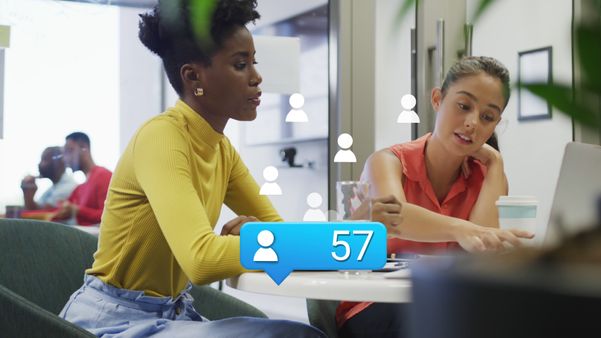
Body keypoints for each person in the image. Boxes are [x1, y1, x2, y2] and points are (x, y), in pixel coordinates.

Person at [58, 1, 400, 337]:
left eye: (253, 62)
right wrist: (282, 239)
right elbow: (202, 259)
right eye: (240, 65)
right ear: (194, 77)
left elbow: (280, 233)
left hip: (175, 312)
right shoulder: (161, 137)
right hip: (112, 320)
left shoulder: (221, 149)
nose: (256, 76)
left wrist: (336, 231)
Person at [336, 56, 534, 338]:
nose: (472, 123)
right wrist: (462, 229)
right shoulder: (388, 161)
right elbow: (398, 216)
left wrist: (495, 165)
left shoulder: (488, 176)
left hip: (448, 305)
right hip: (377, 306)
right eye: (463, 106)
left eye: (487, 117)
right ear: (438, 99)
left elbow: (481, 251)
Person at [52, 132, 112, 226]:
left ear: (84, 147)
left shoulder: (103, 175)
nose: (65, 159)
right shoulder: (79, 188)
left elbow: (109, 216)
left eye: (69, 150)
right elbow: (56, 212)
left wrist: (77, 210)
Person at [21, 146, 77, 210]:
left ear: (58, 163)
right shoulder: (53, 187)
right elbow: (36, 209)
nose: (39, 164)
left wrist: (28, 193)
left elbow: (41, 215)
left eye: (44, 160)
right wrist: (27, 192)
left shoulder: (67, 187)